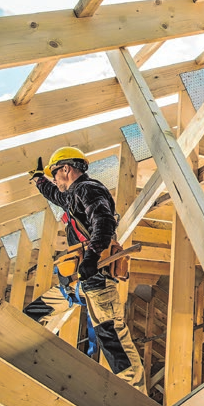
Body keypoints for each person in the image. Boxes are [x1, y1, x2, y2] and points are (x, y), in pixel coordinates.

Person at [24, 146, 146, 392]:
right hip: (76, 283)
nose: (55, 180)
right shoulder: (72, 195)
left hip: (96, 280)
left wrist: (91, 256)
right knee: (34, 314)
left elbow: (103, 221)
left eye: (55, 174)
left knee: (111, 336)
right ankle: (26, 360)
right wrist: (40, 179)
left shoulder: (89, 189)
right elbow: (54, 194)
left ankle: (136, 394)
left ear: (66, 169)